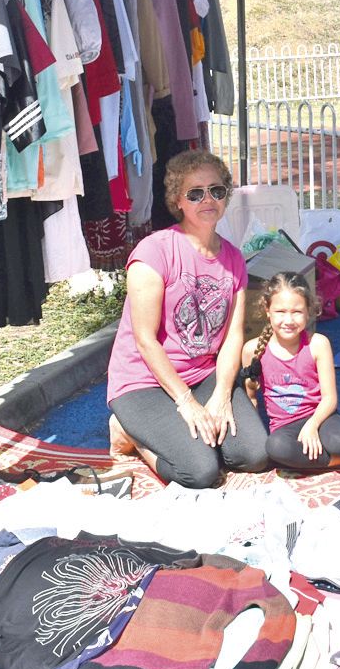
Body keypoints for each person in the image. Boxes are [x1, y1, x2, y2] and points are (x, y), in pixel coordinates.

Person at [107, 150, 268, 488]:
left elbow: (232, 338)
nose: (207, 199)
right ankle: (131, 437)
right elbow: (145, 340)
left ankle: (188, 434)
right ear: (178, 201)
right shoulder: (154, 252)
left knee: (253, 454)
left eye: (216, 190)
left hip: (203, 374)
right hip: (145, 381)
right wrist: (187, 403)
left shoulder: (234, 259)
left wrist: (222, 394)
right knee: (200, 471)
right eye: (195, 193)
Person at [241, 272, 340, 474]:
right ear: (267, 310)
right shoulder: (252, 350)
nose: (288, 320)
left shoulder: (318, 344)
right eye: (280, 311)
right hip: (285, 427)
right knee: (275, 448)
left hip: (322, 416)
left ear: (309, 311)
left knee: (339, 442)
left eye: (297, 311)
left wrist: (312, 425)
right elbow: (250, 399)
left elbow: (330, 398)